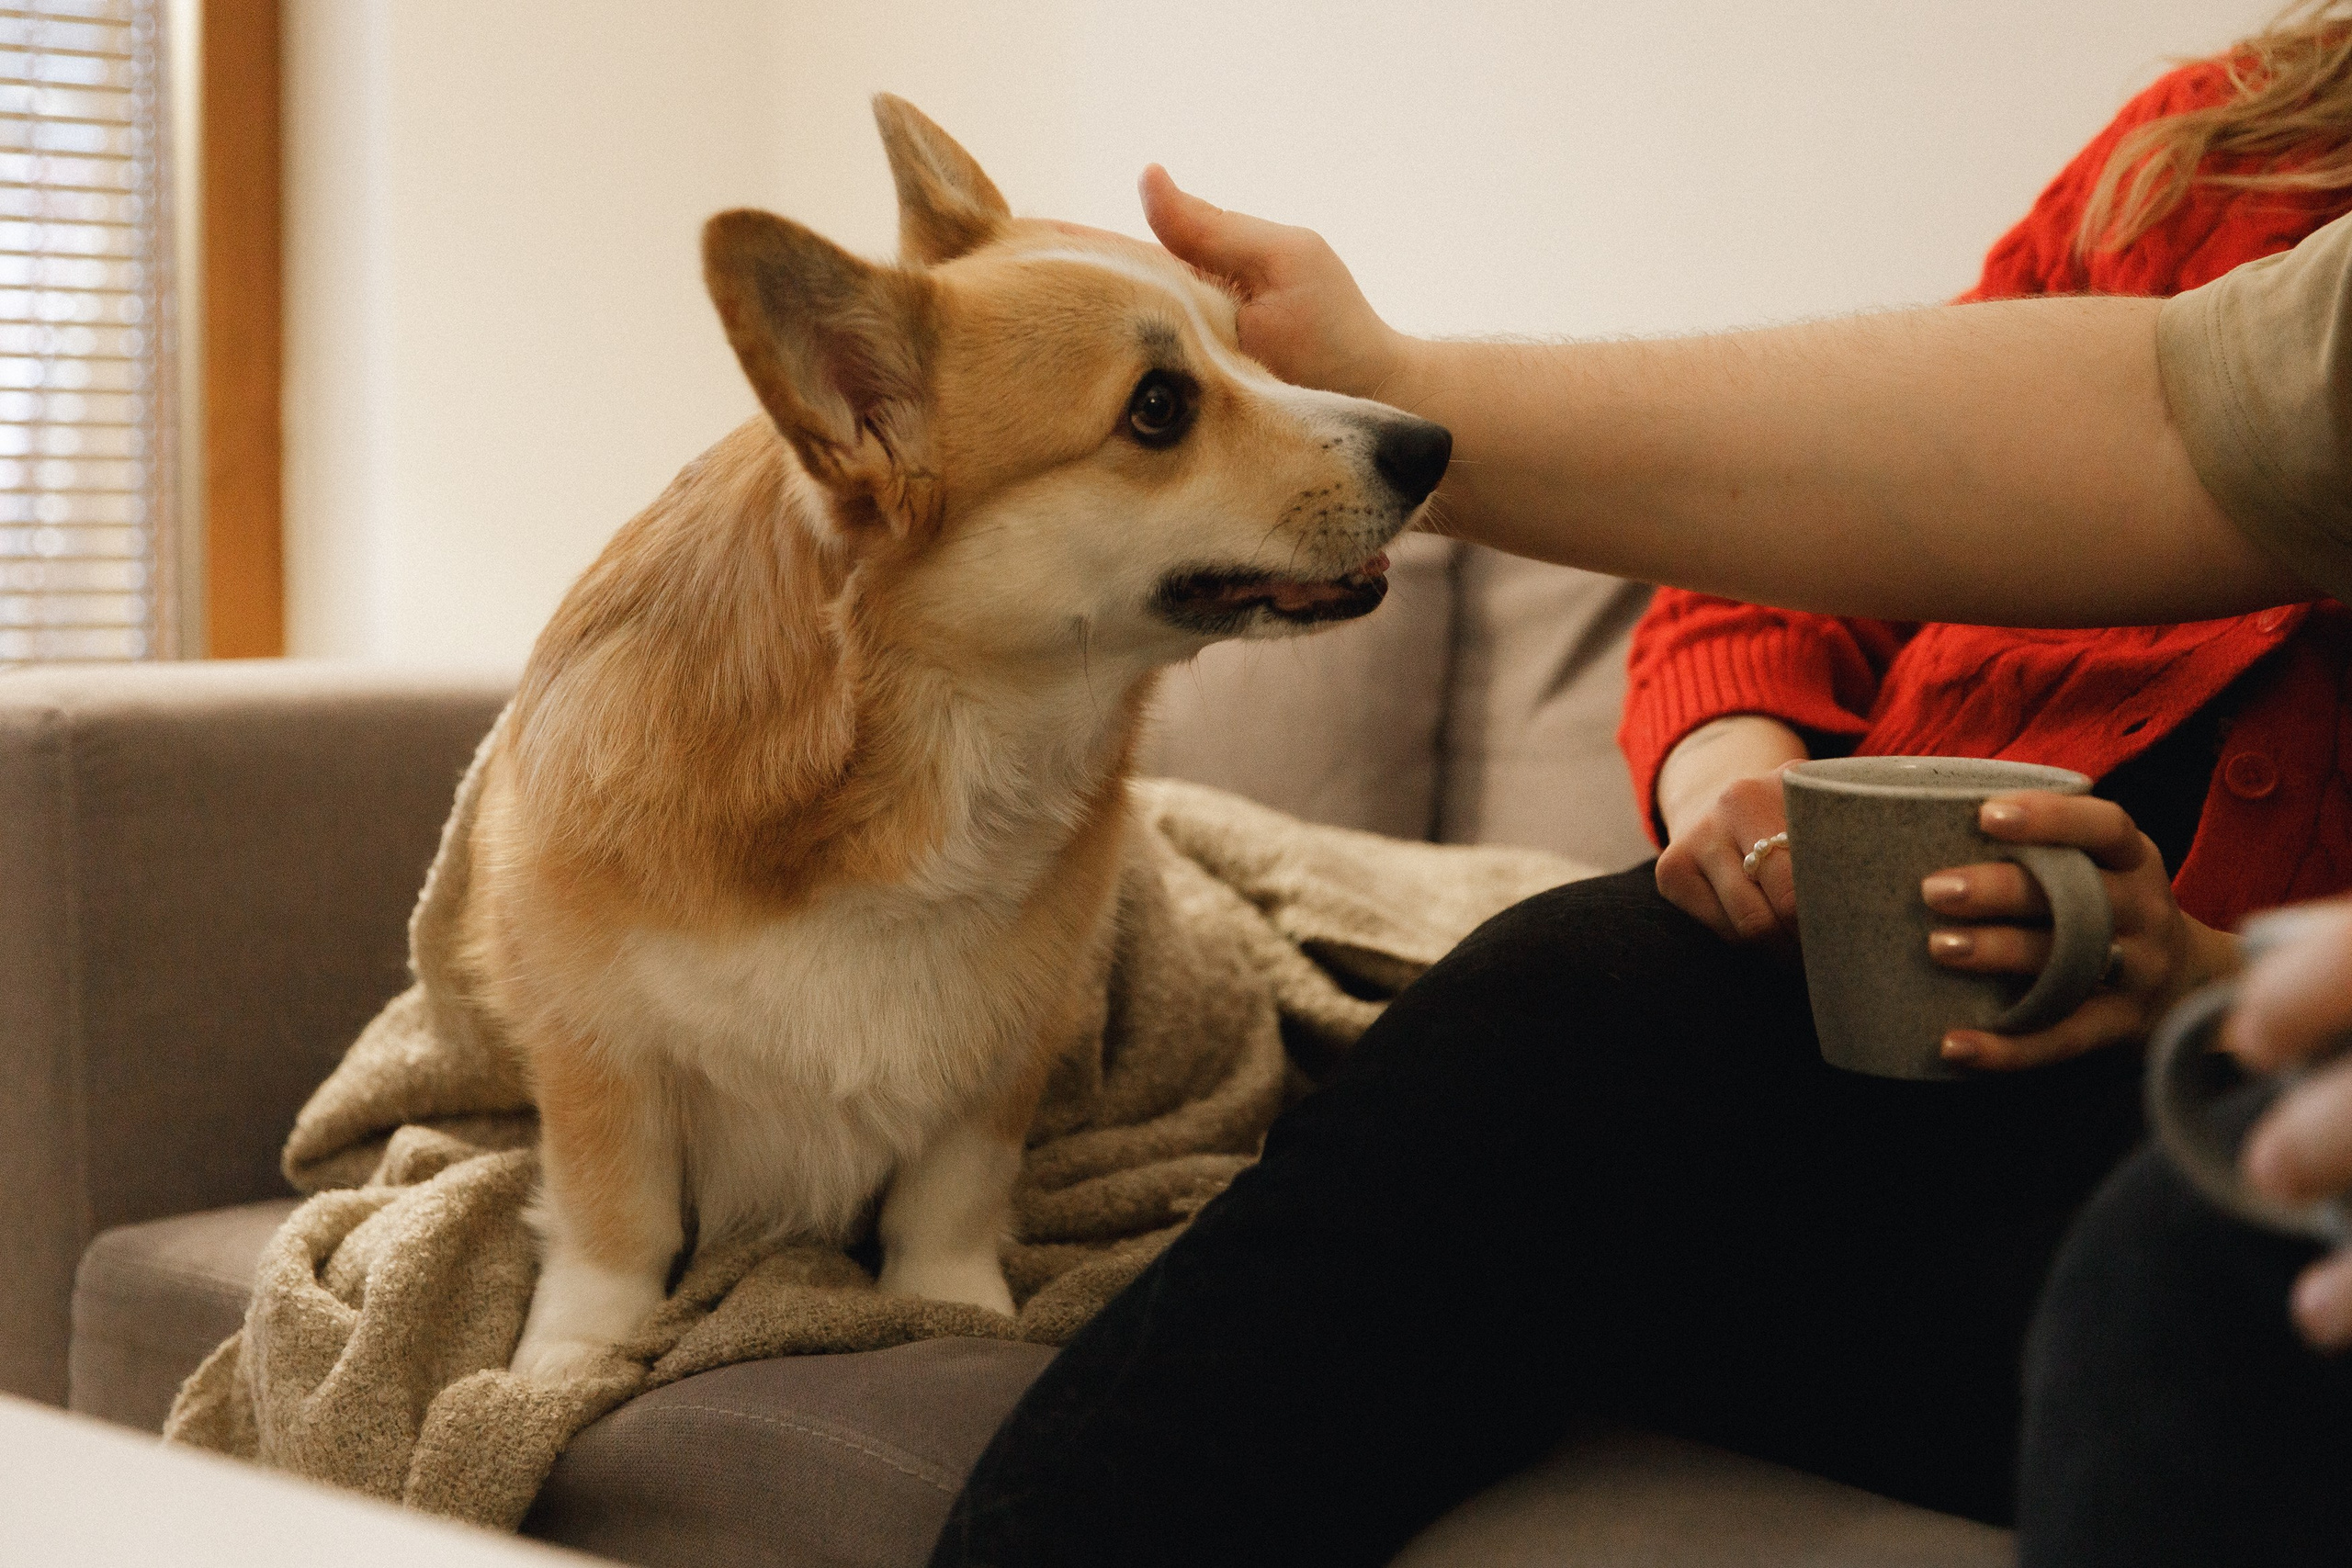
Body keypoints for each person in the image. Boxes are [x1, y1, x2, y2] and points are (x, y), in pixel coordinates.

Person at [927, 10, 2352, 1566]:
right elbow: (1829, 546)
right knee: (1577, 992)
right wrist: (1733, 778)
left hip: (2193, 1126)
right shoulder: (2207, 154)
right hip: (1828, 1071)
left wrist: (2214, 978)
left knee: (2185, 1264)